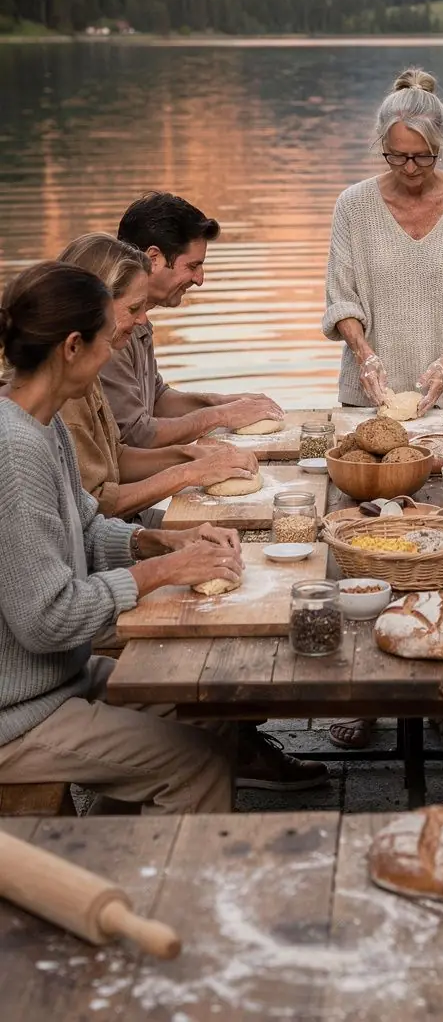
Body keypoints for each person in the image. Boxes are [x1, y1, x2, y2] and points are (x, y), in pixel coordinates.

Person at [0, 262, 326, 802]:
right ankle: (143, 857)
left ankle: (113, 846)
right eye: (108, 339)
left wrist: (156, 542)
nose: (113, 353)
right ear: (73, 347)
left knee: (208, 705)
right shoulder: (14, 450)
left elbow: (84, 527)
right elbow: (48, 619)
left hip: (61, 679)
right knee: (196, 765)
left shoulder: (43, 421)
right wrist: (164, 571)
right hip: (20, 711)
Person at [323, 67, 443, 750]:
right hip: (369, 402)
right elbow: (342, 297)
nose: (409, 169)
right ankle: (365, 691)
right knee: (368, 539)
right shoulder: (353, 205)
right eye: (396, 157)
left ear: (440, 147)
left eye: (421, 157)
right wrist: (365, 353)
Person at [59, 234, 257, 523]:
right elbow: (92, 510)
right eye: (133, 309)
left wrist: (191, 455)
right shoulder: (64, 399)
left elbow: (117, 456)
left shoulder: (86, 373)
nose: (143, 320)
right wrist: (189, 472)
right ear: (92, 308)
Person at [101, 192, 283, 447]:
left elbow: (156, 399)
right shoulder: (113, 330)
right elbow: (135, 434)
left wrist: (221, 403)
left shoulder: (139, 321)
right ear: (153, 259)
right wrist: (219, 417)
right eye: (192, 266)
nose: (200, 279)